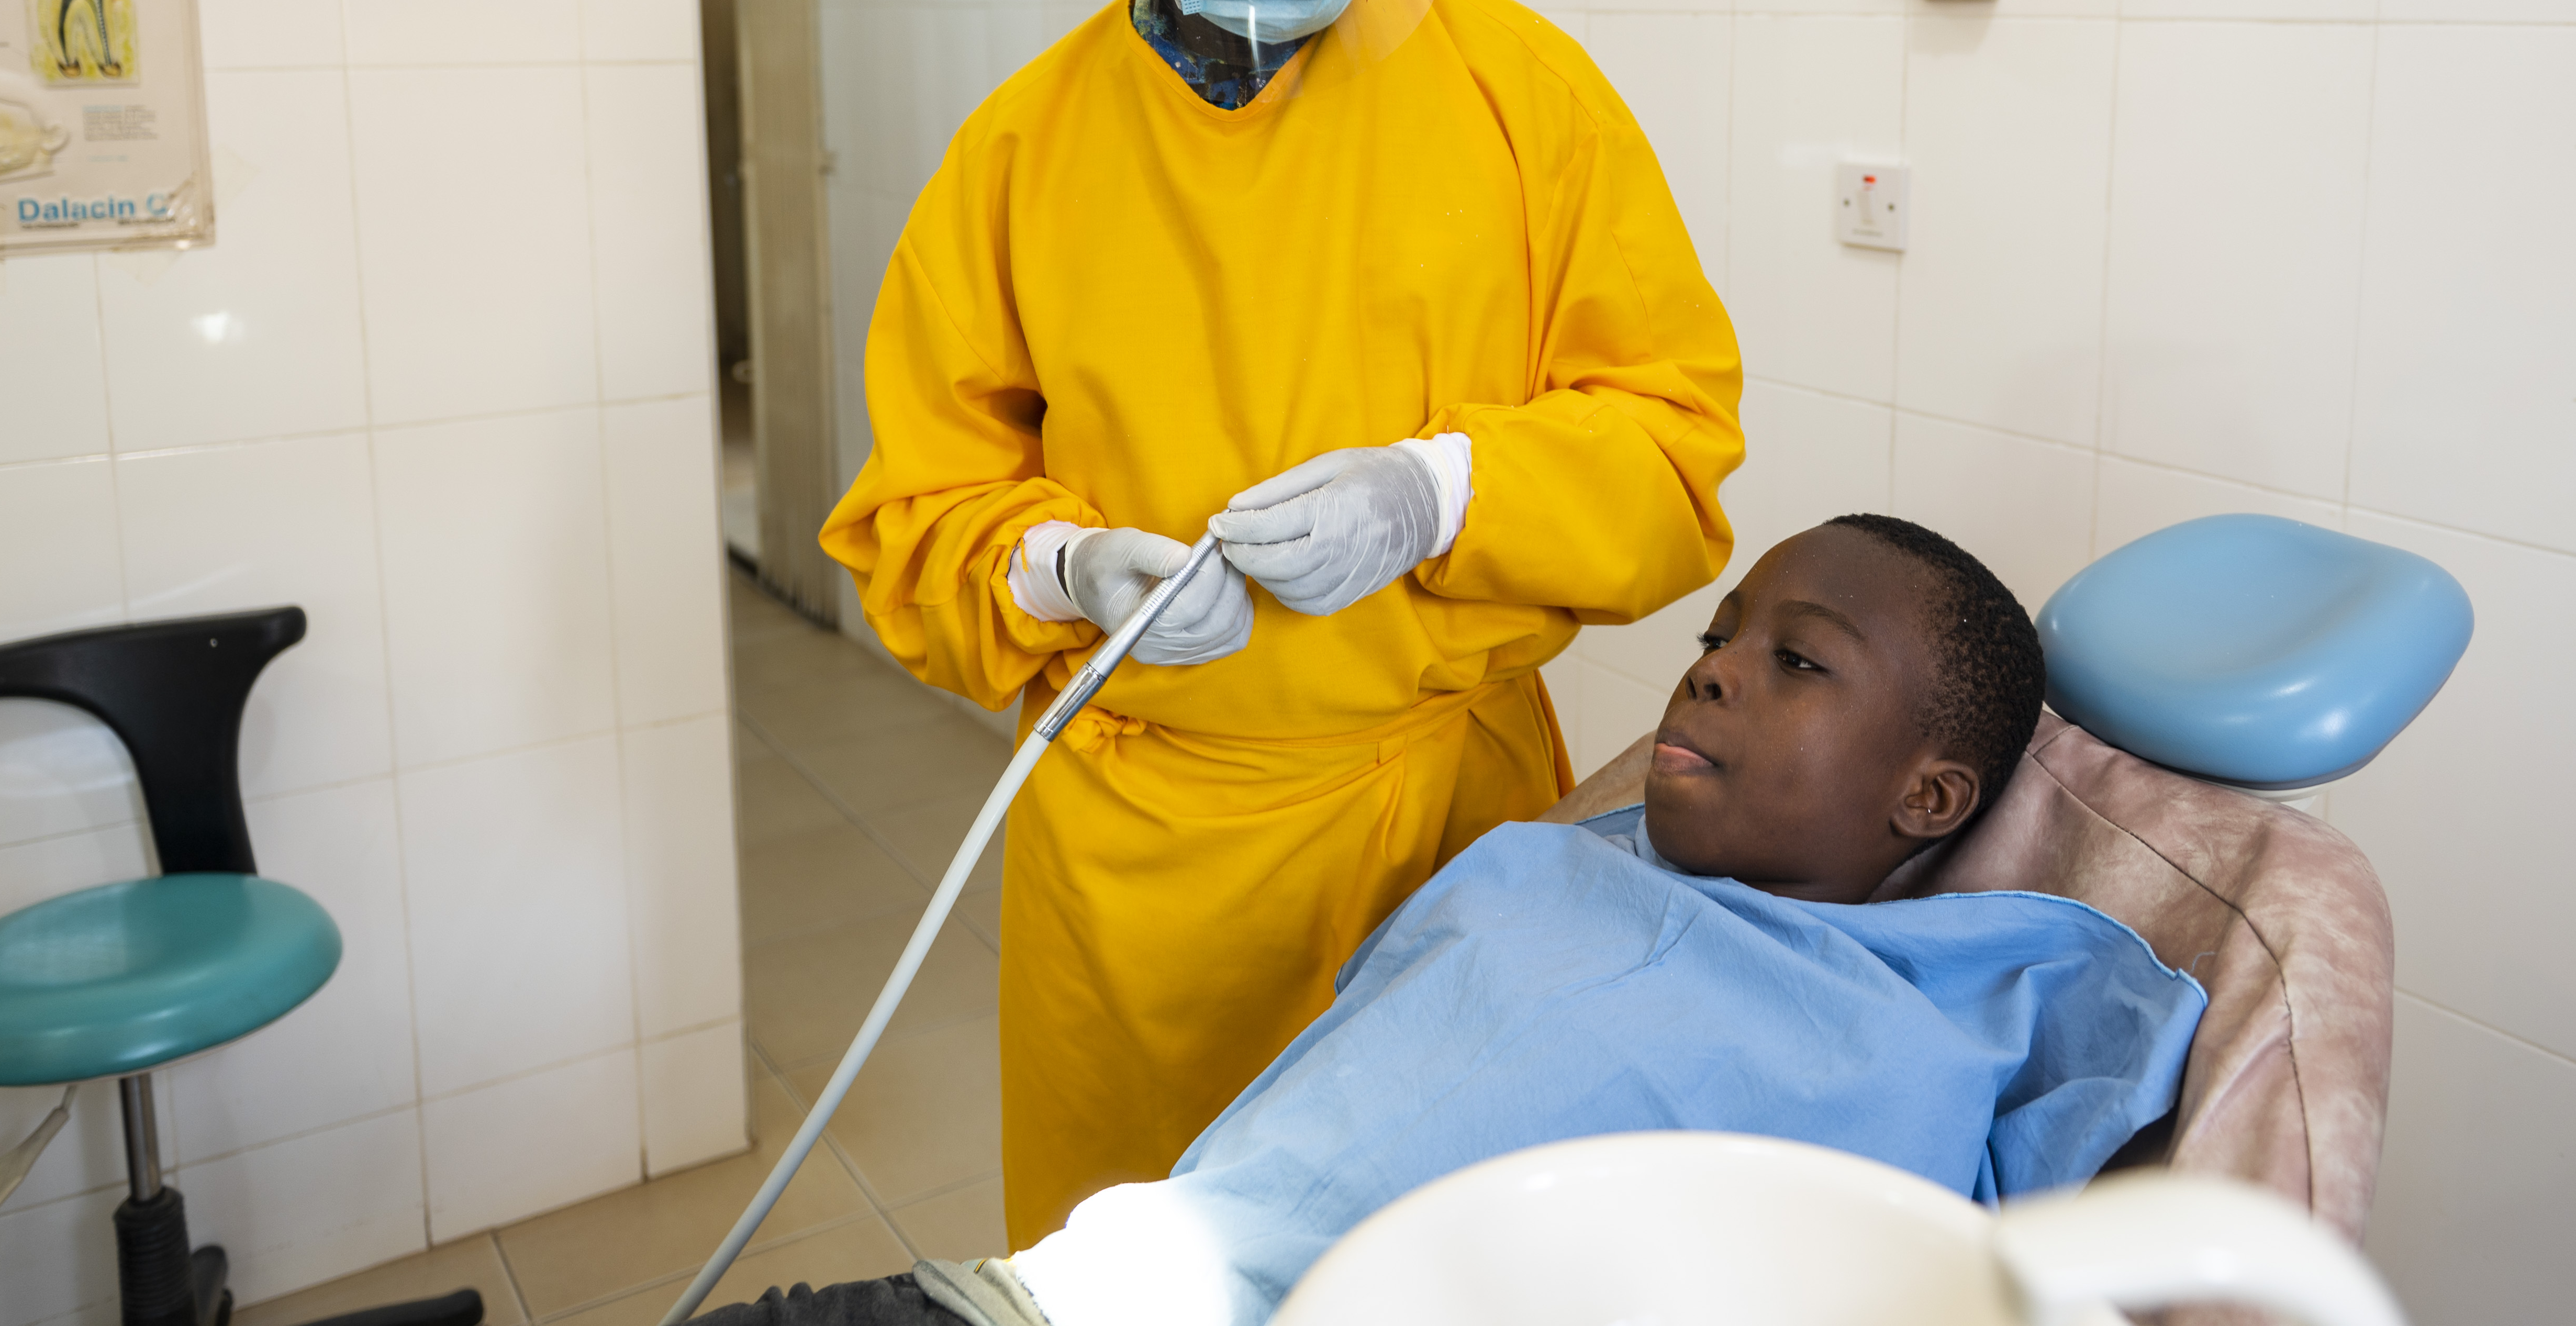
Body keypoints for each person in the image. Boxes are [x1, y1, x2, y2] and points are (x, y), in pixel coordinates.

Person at [824, 0, 1745, 1243]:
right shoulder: (1022, 158)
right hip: (1144, 874)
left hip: (1448, 846)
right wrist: (1060, 573)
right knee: (1158, 1254)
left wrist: (1442, 492)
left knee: (1433, 1257)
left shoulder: (1518, 95)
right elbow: (916, 521)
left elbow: (1673, 447)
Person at [703, 516, 2205, 1326]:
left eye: (1798, 664)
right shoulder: (1538, 867)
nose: (1714, 672)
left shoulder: (1900, 1052)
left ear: (1932, 799)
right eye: (1716, 639)